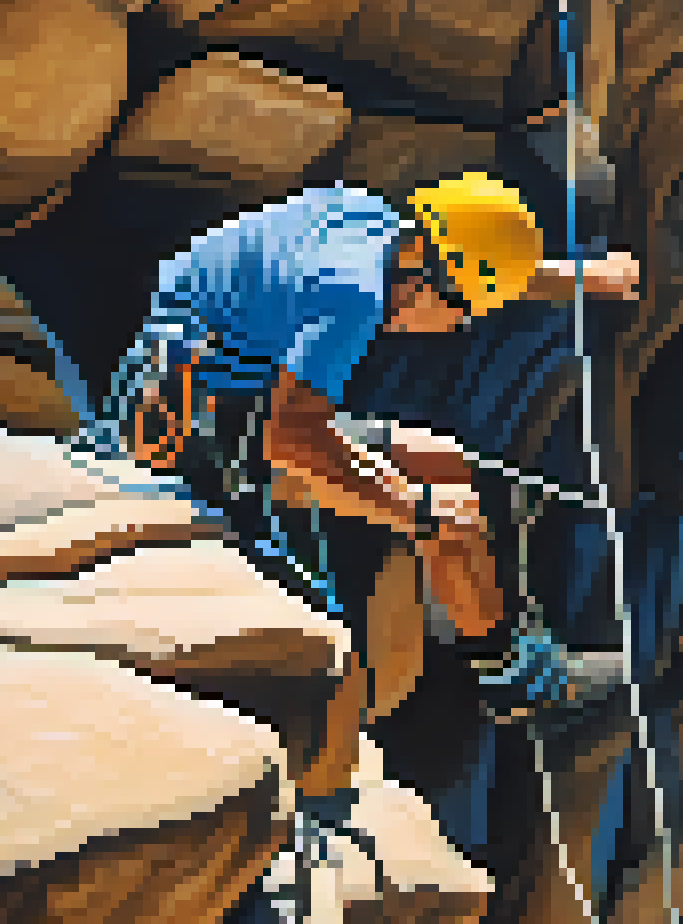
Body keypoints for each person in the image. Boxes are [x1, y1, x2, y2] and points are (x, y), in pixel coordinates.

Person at [97, 174, 641, 642]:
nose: (459, 326)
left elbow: (472, 267)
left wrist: (586, 276)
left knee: (445, 467)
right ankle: (513, 679)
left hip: (206, 375)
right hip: (194, 427)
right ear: (422, 281)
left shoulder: (370, 221)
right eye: (460, 312)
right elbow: (291, 439)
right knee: (451, 520)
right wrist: (419, 509)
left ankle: (503, 647)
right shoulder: (353, 301)